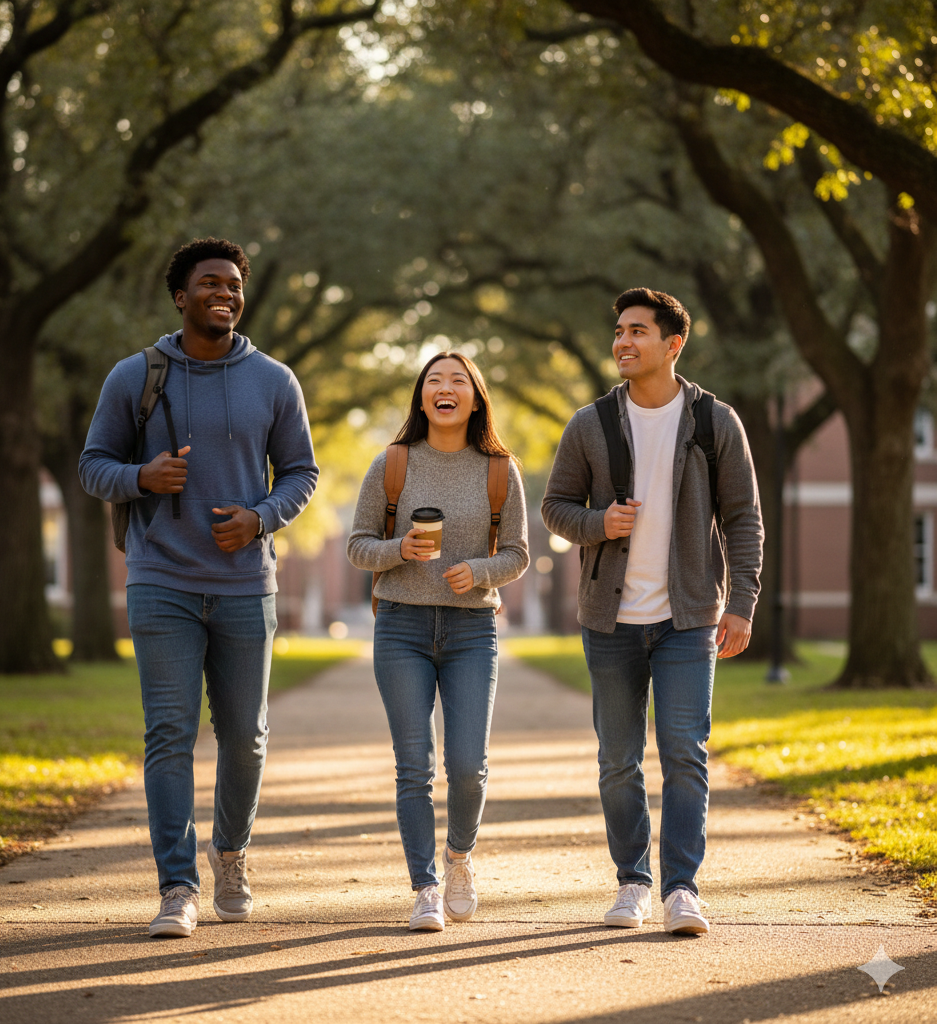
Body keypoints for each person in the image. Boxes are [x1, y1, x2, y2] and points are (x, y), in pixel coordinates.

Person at [79, 237, 319, 938]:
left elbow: (301, 473)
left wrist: (261, 518)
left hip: (247, 584)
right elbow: (93, 465)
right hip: (162, 580)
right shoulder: (135, 376)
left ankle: (232, 856)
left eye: (234, 284)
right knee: (169, 735)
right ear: (180, 296)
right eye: (210, 283)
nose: (225, 293)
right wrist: (141, 478)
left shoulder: (274, 380)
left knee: (245, 738)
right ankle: (177, 885)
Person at [541, 288, 763, 936]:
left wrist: (742, 604)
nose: (622, 342)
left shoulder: (713, 422)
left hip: (688, 618)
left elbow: (744, 519)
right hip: (610, 622)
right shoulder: (592, 424)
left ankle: (681, 890)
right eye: (618, 331)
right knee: (618, 759)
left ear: (673, 344)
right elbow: (556, 507)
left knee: (684, 753)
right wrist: (599, 522)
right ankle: (632, 881)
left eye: (637, 331)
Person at [347, 352, 529, 931]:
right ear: (421, 398)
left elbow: (519, 554)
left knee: (468, 765)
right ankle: (424, 886)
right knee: (413, 765)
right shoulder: (392, 464)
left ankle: (458, 858)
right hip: (401, 623)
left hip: (472, 629)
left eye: (458, 381)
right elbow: (357, 546)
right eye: (434, 381)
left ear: (475, 398)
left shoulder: (499, 469)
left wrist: (478, 571)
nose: (445, 388)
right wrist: (399, 550)